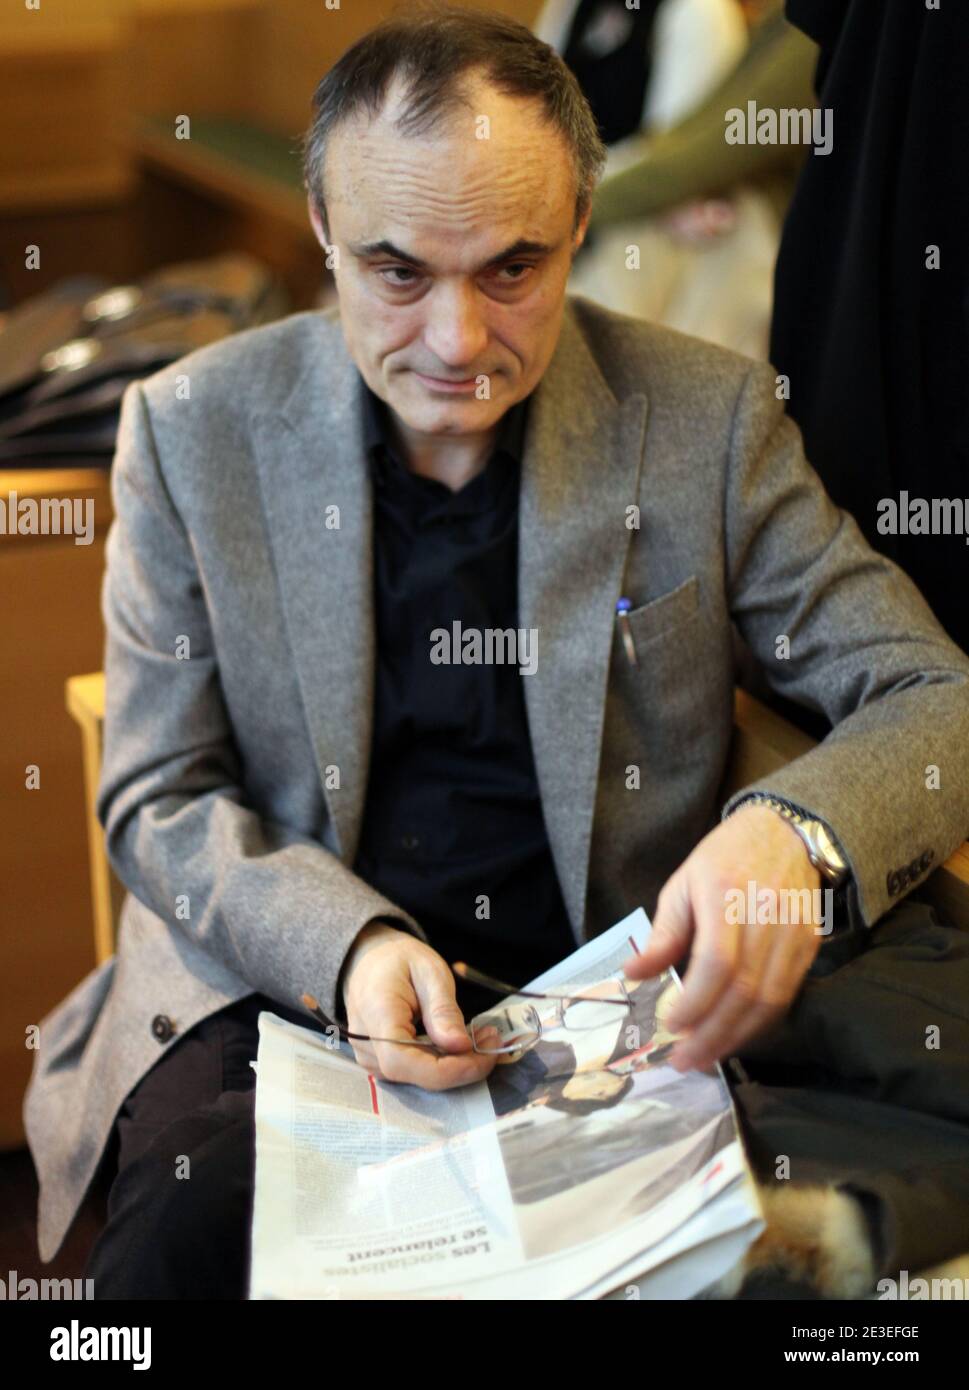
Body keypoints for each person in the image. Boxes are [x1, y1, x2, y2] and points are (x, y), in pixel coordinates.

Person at [23, 3, 969, 1300]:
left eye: (512, 269)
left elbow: (932, 690)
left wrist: (791, 837)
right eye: (398, 271)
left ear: (580, 225)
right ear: (321, 231)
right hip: (287, 991)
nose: (458, 344)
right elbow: (155, 793)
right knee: (187, 1251)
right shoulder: (196, 430)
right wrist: (344, 948)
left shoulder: (705, 416)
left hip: (609, 998)